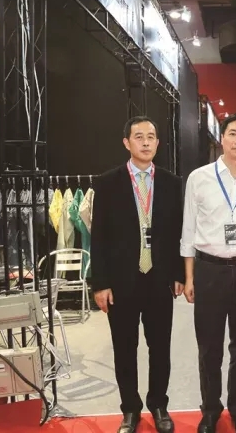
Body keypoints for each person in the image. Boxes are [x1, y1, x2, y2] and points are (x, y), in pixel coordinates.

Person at [89, 116, 185, 433]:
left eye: (151, 136)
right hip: (121, 282)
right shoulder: (107, 183)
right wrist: (100, 283)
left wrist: (178, 273)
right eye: (139, 136)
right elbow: (98, 237)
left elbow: (176, 233)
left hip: (159, 280)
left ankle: (158, 405)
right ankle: (130, 409)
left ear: (158, 143)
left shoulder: (171, 182)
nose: (145, 142)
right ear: (126, 142)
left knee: (160, 348)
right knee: (124, 349)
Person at [180, 113, 236, 433]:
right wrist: (189, 277)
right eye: (233, 133)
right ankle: (210, 410)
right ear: (222, 138)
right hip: (209, 270)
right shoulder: (199, 178)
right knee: (209, 346)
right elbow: (188, 229)